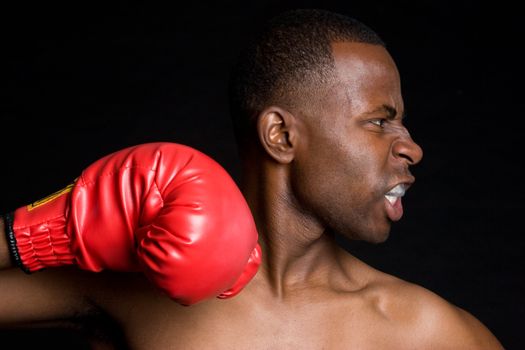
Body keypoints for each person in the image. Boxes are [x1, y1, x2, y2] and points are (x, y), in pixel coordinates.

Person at [1, 8, 504, 349]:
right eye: (379, 120)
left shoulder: (426, 332)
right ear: (281, 136)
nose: (411, 146)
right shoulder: (133, 289)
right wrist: (29, 234)